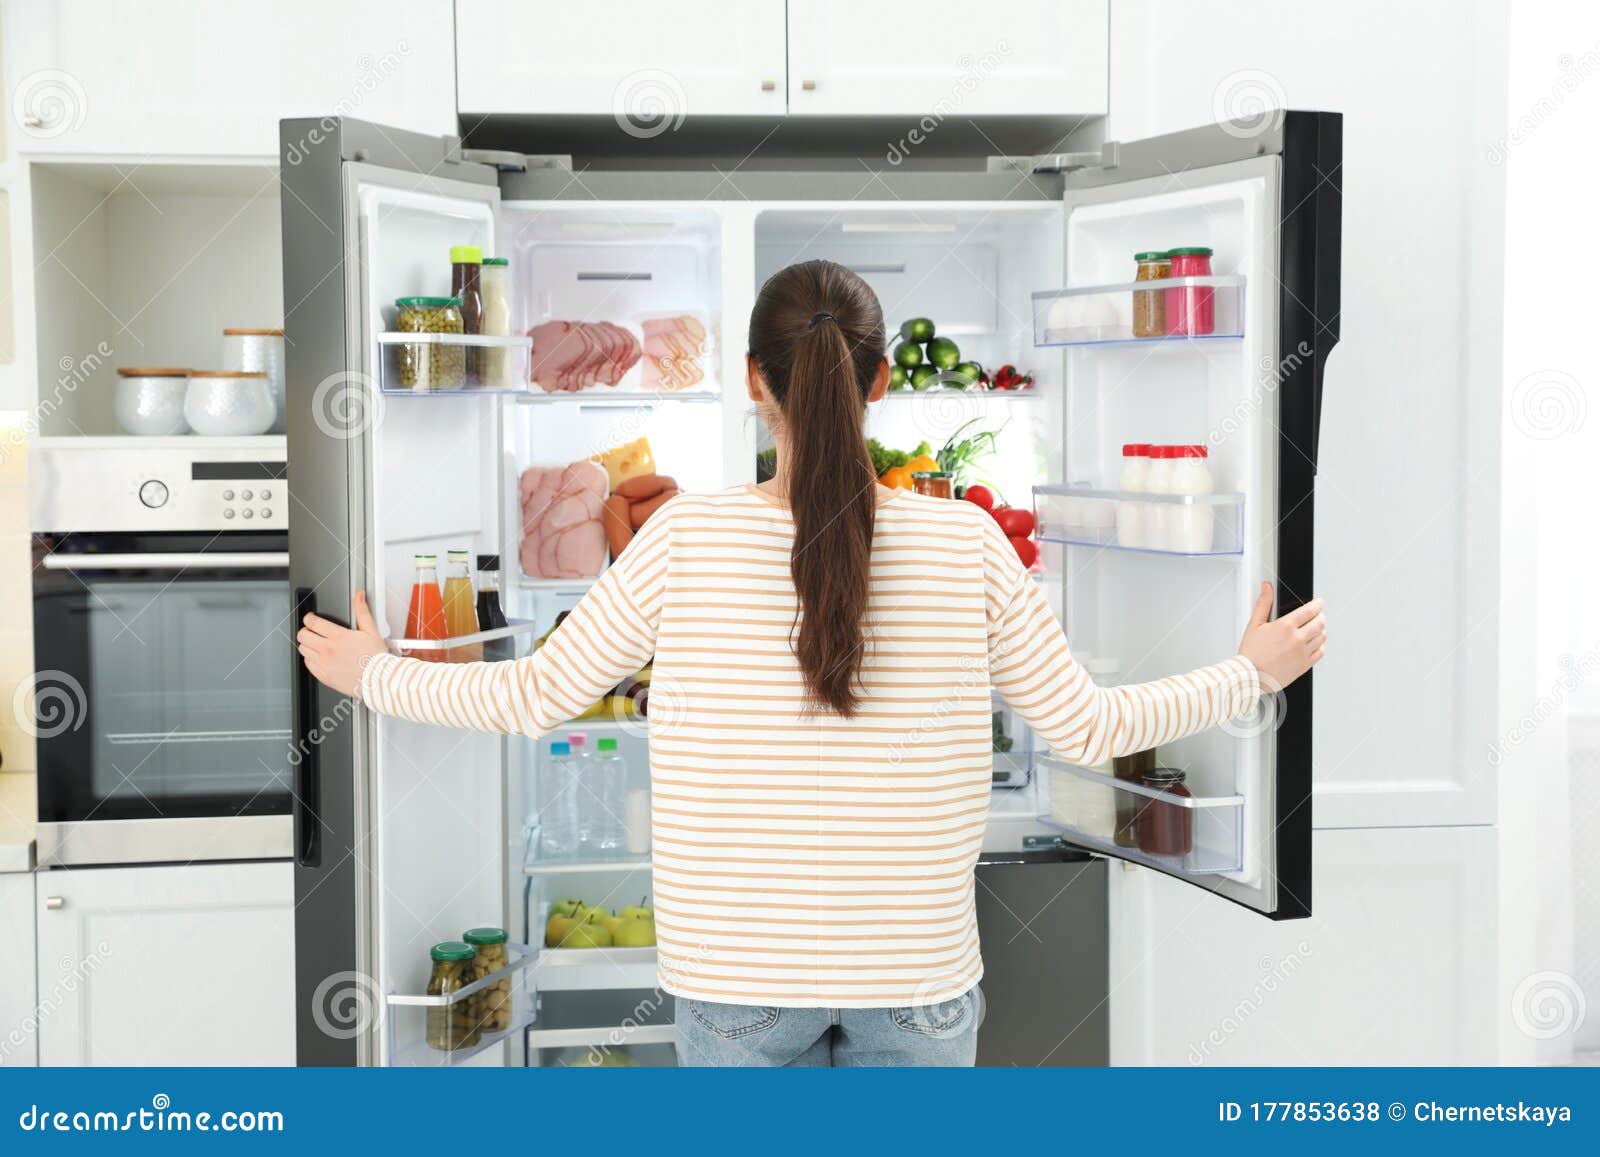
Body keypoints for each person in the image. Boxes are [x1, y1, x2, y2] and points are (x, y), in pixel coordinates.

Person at [297, 259, 1326, 1067]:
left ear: (756, 382)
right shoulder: (966, 540)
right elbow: (1089, 725)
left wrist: (375, 672)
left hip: (736, 977)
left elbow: (535, 695)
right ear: (879, 381)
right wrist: (1249, 670)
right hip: (915, 975)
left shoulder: (682, 539)